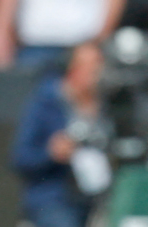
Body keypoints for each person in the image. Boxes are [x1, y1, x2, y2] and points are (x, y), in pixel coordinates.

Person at [13, 43, 107, 227]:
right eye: (88, 66)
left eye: (99, 65)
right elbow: (20, 158)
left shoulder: (112, 103)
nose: (96, 72)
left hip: (104, 195)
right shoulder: (46, 103)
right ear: (71, 69)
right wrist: (50, 153)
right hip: (56, 196)